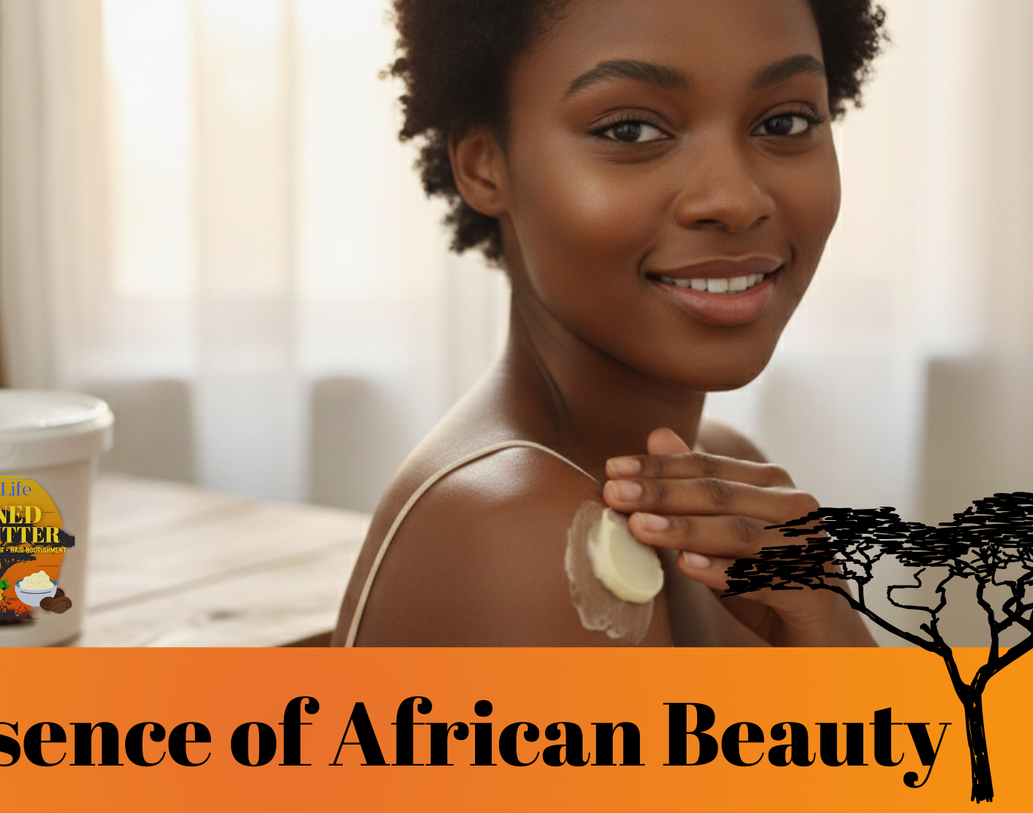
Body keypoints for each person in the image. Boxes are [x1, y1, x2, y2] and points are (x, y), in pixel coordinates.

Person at [333, 0, 887, 646]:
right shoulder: (518, 531)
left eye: (784, 121)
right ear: (485, 164)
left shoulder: (725, 474)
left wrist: (833, 632)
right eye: (630, 131)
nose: (734, 200)